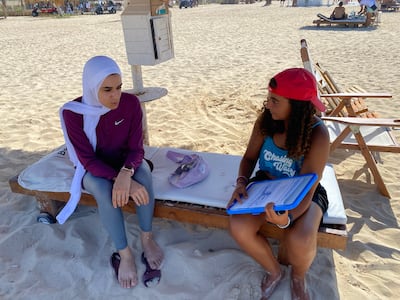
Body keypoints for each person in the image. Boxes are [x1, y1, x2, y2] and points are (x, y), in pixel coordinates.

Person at [58, 56, 163, 289]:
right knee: (105, 191)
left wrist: (127, 173)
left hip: (126, 162)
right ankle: (124, 254)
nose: (115, 96)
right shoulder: (73, 113)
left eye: (119, 87)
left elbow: (137, 149)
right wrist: (121, 179)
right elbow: (86, 159)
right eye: (107, 90)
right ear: (92, 87)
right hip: (94, 167)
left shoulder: (130, 104)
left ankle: (147, 239)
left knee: (143, 176)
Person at [227, 68, 330, 300]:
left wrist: (288, 218)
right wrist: (241, 183)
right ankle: (274, 271)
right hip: (266, 184)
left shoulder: (318, 135)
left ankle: (298, 276)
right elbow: (249, 159)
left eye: (275, 100)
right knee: (238, 227)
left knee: (299, 239)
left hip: (304, 192)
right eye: (269, 98)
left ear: (296, 105)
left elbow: (309, 185)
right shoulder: (266, 122)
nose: (268, 105)